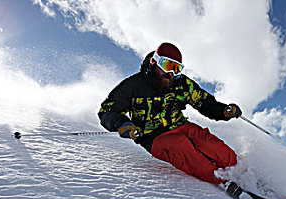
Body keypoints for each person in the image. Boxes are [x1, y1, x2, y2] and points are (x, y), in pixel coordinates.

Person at [98, 42, 242, 184]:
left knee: (211, 145)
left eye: (176, 68)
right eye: (168, 66)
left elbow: (205, 103)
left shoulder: (181, 84)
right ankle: (222, 180)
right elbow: (107, 110)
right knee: (181, 146)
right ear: (155, 62)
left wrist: (224, 111)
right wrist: (122, 124)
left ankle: (242, 172)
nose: (171, 73)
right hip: (154, 136)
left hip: (181, 125)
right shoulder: (134, 85)